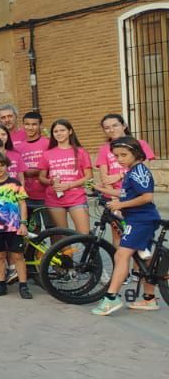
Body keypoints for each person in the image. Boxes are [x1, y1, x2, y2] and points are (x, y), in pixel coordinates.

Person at [93, 137, 160, 316]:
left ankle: (111, 298)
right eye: (116, 156)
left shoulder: (139, 172)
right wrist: (103, 190)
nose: (119, 159)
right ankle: (149, 298)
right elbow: (125, 193)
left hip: (141, 220)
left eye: (124, 155)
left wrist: (120, 205)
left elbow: (147, 196)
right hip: (138, 219)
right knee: (146, 258)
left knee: (121, 255)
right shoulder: (131, 170)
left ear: (136, 153)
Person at [0, 152, 33, 299]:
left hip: (14, 226)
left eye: (2, 165)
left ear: (7, 166)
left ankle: (23, 285)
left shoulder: (15, 183)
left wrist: (23, 223)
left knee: (18, 255)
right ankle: (1, 284)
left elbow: (22, 204)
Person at [40, 118, 91, 234]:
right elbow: (41, 178)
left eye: (62, 130)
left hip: (77, 197)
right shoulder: (47, 154)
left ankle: (91, 252)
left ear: (70, 131)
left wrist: (68, 185)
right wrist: (51, 181)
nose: (59, 134)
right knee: (62, 237)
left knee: (84, 234)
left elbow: (88, 176)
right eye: (56, 131)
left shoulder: (81, 152)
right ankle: (67, 253)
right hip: (54, 199)